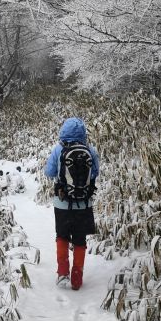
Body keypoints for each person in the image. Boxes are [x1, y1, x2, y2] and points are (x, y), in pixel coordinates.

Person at [44, 117, 99, 290]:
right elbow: (94, 174)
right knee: (80, 240)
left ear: (63, 132)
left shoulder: (58, 149)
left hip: (62, 203)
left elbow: (49, 172)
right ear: (83, 133)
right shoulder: (90, 150)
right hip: (83, 204)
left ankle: (62, 273)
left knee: (62, 236)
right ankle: (77, 277)